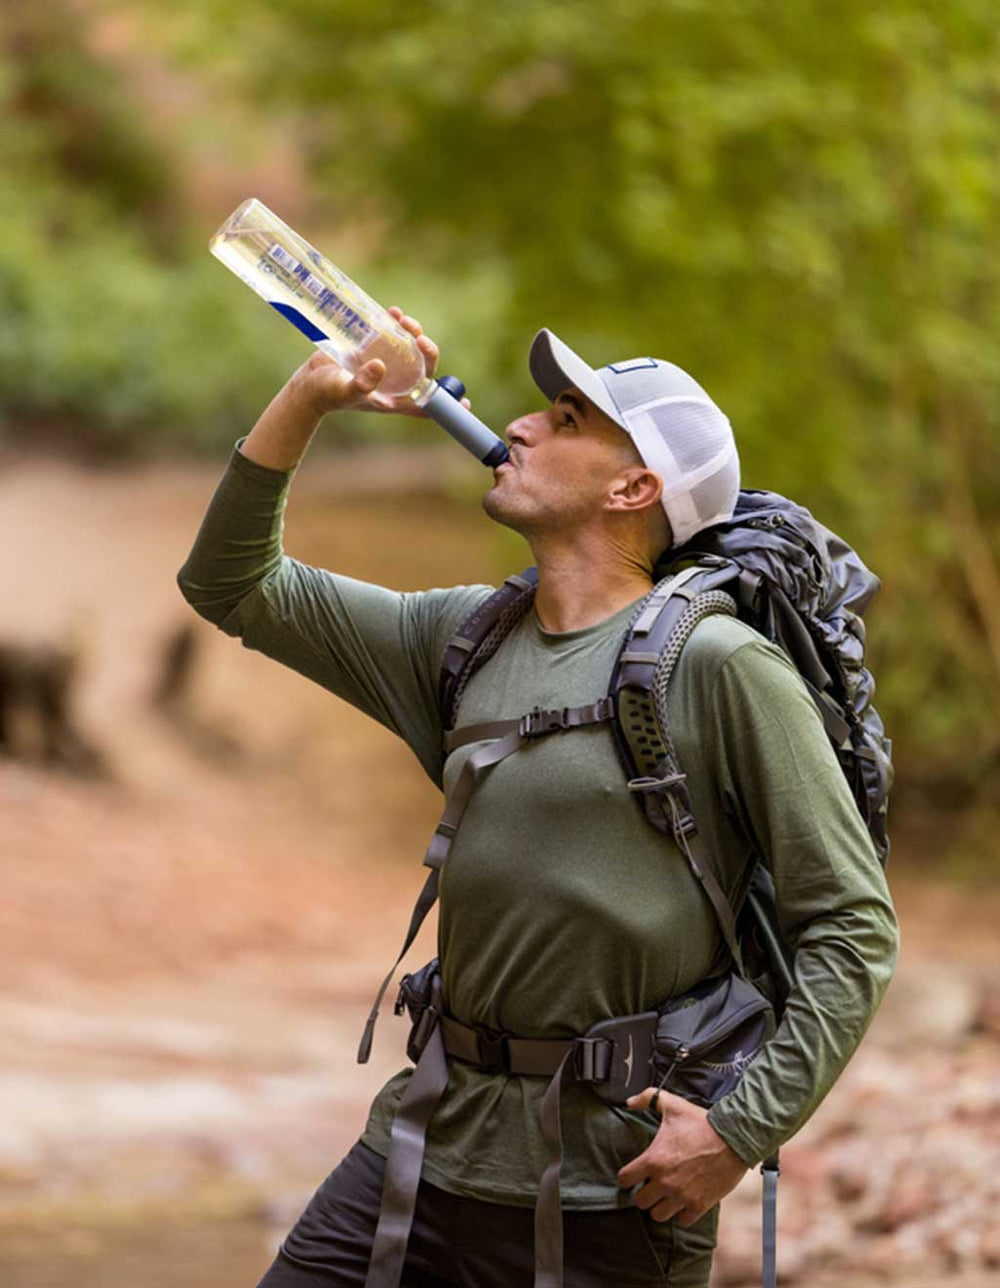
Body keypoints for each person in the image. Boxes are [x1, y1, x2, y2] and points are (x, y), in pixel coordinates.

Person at [178, 308, 899, 1288]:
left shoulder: (722, 666)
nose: (518, 425)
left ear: (633, 486)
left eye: (565, 419)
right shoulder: (461, 635)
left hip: (618, 1187)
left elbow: (851, 927)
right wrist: (312, 396)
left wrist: (736, 1133)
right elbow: (231, 581)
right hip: (425, 1148)